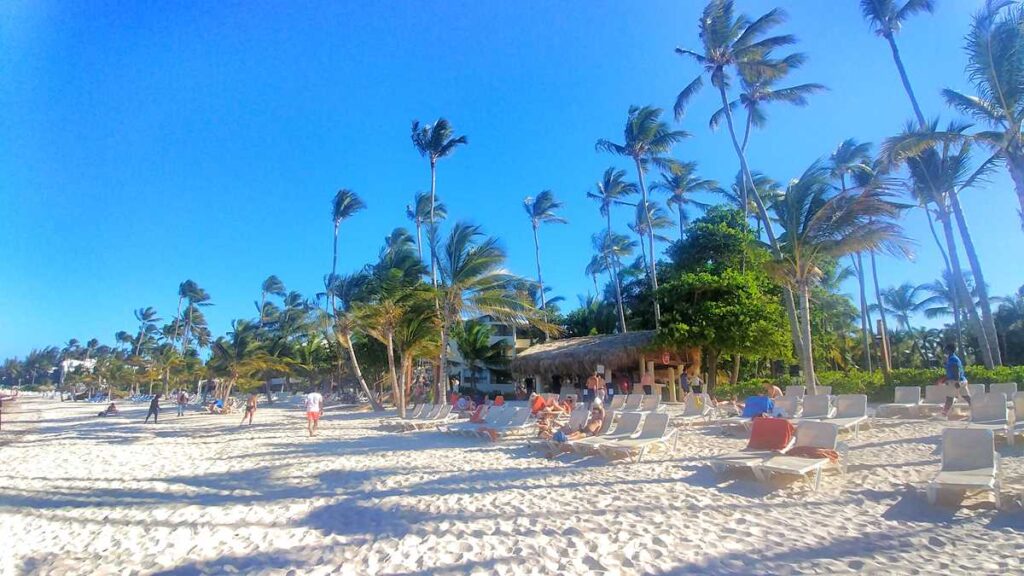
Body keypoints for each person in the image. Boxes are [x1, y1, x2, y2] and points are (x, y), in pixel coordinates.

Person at [939, 343, 971, 418]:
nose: (944, 350)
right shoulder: (951, 358)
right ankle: (976, 409)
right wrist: (945, 379)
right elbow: (951, 372)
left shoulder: (953, 359)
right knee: (966, 396)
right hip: (961, 380)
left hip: (955, 381)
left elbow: (956, 371)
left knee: (949, 398)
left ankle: (943, 415)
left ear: (949, 350)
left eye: (945, 349)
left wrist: (956, 382)